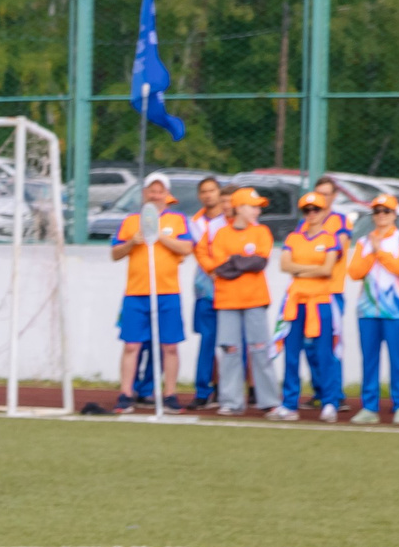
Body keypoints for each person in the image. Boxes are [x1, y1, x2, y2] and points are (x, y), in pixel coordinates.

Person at [111, 174, 190, 411]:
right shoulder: (130, 221)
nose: (155, 195)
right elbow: (115, 253)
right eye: (151, 191)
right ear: (144, 193)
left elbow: (187, 247)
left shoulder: (177, 220)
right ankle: (126, 393)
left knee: (170, 346)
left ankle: (170, 395)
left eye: (160, 191)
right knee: (131, 345)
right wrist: (132, 242)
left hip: (167, 291)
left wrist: (160, 236)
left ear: (167, 194)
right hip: (136, 292)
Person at [204, 187, 280, 414]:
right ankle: (231, 402)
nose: (257, 211)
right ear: (239, 208)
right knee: (230, 351)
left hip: (255, 299)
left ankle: (269, 402)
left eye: (258, 207)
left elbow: (260, 262)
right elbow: (220, 268)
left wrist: (234, 260)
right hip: (227, 301)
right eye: (253, 206)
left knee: (260, 350)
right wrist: (244, 261)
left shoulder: (262, 232)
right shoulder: (221, 235)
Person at [272, 191, 344, 420]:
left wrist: (301, 269)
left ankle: (330, 402)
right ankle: (289, 403)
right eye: (307, 210)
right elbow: (284, 265)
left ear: (324, 212)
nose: (311, 214)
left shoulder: (329, 238)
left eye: (316, 209)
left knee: (325, 354)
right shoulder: (294, 237)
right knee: (292, 353)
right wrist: (311, 269)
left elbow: (327, 270)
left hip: (320, 301)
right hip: (296, 302)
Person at [346, 195, 399, 425]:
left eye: (386, 211)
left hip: (396, 310)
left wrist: (381, 253)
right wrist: (373, 252)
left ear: (394, 214)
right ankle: (369, 406)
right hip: (367, 310)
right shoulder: (364, 242)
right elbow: (355, 272)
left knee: (398, 360)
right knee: (370, 360)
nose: (381, 215)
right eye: (377, 211)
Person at [186, 175, 227, 409]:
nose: (208, 195)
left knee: (233, 343)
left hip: (230, 289)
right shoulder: (196, 222)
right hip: (205, 290)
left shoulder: (229, 220)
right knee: (207, 341)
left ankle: (231, 389)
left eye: (212, 190)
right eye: (204, 191)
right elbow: (199, 253)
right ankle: (203, 390)